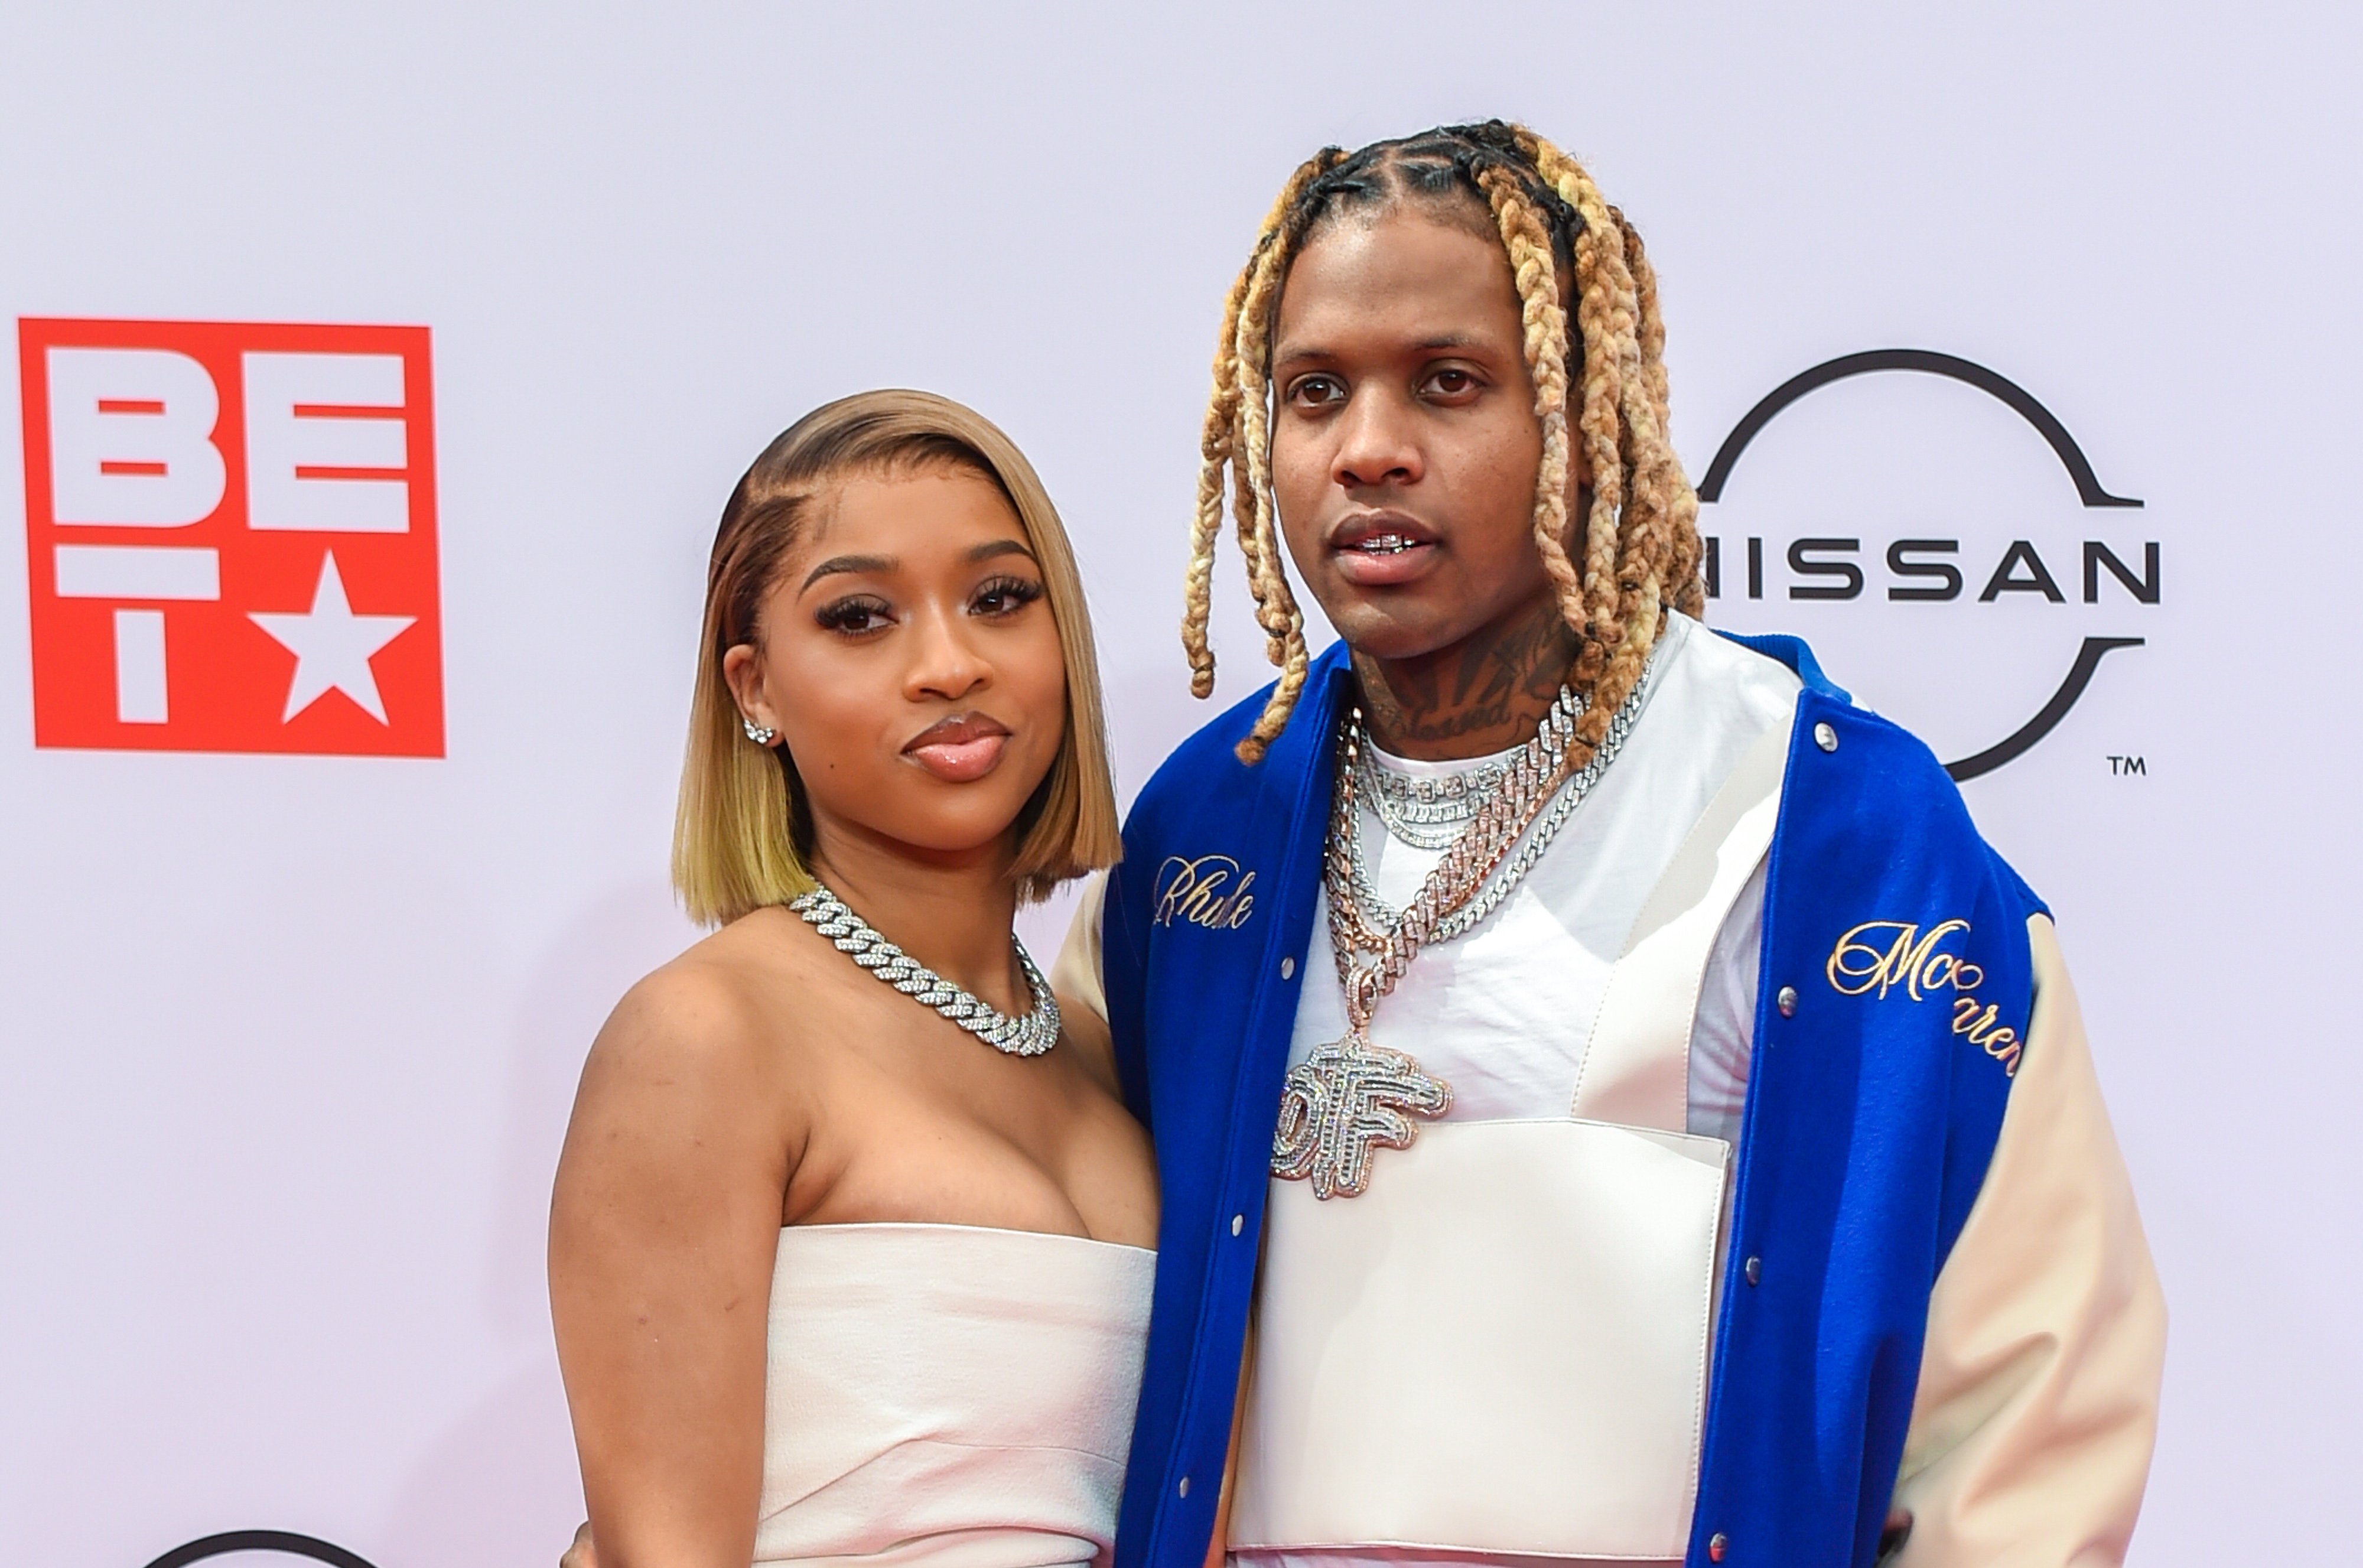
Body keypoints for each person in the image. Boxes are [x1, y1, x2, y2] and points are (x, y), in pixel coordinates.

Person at [1057, 121, 2166, 1568]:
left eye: (1446, 383)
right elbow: (1070, 1323)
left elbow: (2023, 1424)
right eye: (1313, 392)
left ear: (1584, 414)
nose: (1367, 448)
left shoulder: (1833, 832)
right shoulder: (1201, 837)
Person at [548, 389, 1158, 1568]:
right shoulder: (706, 1036)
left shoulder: (1094, 1044)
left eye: (998, 598)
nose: (948, 663)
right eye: (861, 616)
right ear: (755, 688)